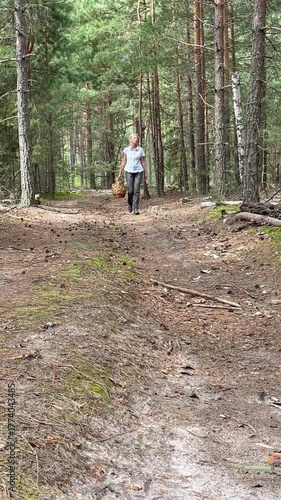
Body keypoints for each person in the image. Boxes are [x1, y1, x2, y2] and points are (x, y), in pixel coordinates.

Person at [118, 133, 148, 215]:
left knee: (137, 191)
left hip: (139, 171)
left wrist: (146, 172)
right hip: (128, 171)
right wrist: (120, 172)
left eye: (137, 138)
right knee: (130, 190)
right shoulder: (126, 150)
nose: (136, 139)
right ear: (130, 140)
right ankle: (130, 204)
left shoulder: (140, 150)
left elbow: (143, 162)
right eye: (134, 138)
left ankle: (136, 208)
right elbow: (123, 161)